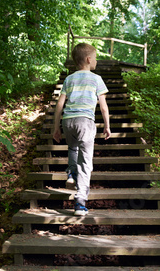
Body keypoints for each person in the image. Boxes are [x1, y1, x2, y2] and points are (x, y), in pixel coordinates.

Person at [53, 43, 111, 216]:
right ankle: (79, 203)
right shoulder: (96, 79)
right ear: (88, 59)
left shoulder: (69, 79)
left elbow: (59, 104)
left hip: (68, 121)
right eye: (95, 58)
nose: (96, 61)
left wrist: (56, 127)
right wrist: (107, 125)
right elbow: (103, 107)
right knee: (85, 162)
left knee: (73, 147)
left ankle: (71, 172)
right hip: (85, 121)